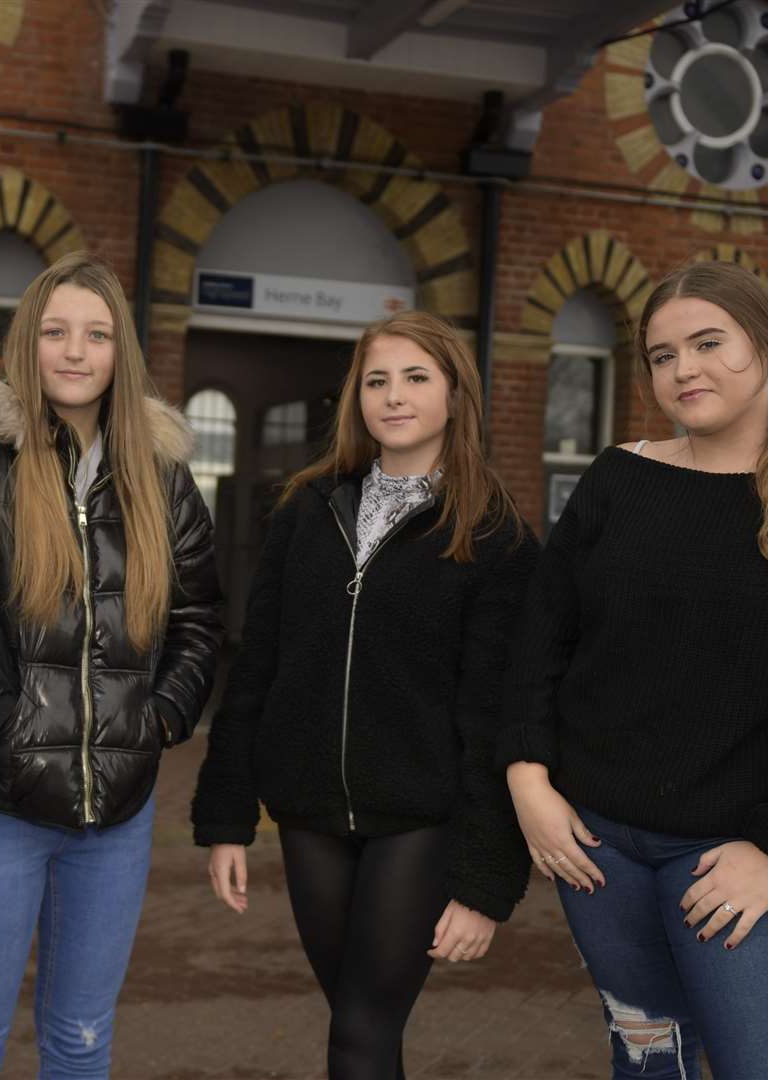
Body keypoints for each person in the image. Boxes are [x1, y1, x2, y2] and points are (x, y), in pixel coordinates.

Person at [500, 260, 768, 1080]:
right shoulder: (622, 475)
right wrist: (527, 780)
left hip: (734, 855)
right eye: (660, 355)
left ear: (766, 350)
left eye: (706, 342)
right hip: (593, 850)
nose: (682, 369)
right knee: (650, 1066)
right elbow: (538, 638)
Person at [0, 251, 222, 1077]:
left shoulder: (161, 479)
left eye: (95, 335)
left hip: (116, 820)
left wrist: (160, 717)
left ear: (118, 354)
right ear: (26, 345)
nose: (73, 350)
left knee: (81, 1042)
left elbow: (200, 619)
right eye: (55, 331)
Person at [192, 310, 538, 1079]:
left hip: (419, 817)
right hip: (309, 810)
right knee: (356, 1020)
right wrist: (226, 816)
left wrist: (485, 883)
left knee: (361, 1027)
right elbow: (256, 667)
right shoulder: (306, 510)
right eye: (376, 380)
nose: (393, 395)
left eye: (416, 377)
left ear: (455, 394)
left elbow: (500, 717)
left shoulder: (494, 534)